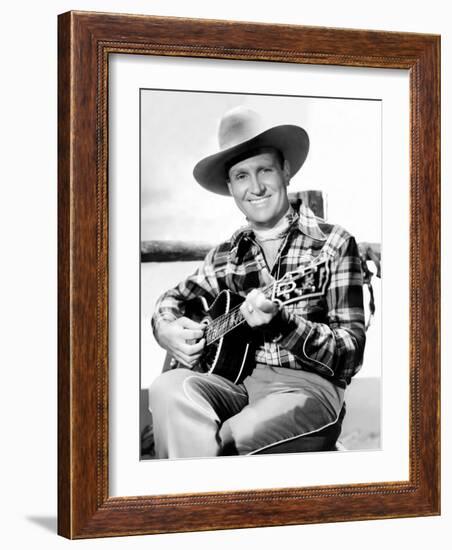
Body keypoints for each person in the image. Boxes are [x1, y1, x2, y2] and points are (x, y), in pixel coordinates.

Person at [149, 106, 366, 458]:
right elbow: (172, 299)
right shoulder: (226, 254)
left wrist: (284, 324)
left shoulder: (333, 244)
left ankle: (193, 504)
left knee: (233, 437)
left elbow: (350, 354)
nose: (256, 187)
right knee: (166, 388)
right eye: (241, 176)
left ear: (286, 171)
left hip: (306, 388)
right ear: (231, 187)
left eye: (265, 169)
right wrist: (167, 331)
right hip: (235, 383)